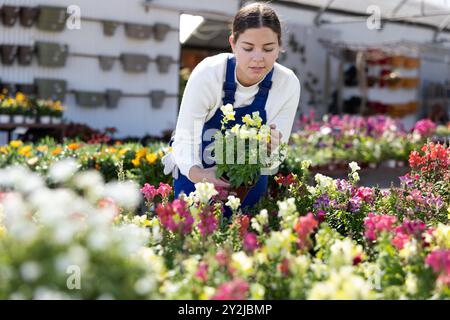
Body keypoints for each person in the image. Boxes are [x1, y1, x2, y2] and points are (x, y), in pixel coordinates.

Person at [163, 2, 301, 213]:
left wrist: (272, 148)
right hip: (195, 174)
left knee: (244, 239)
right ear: (233, 44)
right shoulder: (209, 74)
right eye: (247, 48)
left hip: (249, 185)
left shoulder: (286, 84)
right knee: (195, 239)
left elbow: (272, 164)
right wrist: (201, 176)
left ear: (280, 45)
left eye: (268, 49)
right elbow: (185, 137)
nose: (257, 58)